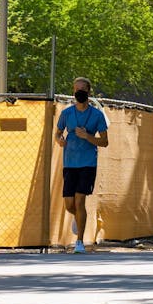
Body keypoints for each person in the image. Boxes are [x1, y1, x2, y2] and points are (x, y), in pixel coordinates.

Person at [55, 77, 109, 253]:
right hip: (69, 162)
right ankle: (79, 219)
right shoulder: (67, 113)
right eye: (76, 89)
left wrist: (88, 137)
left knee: (80, 201)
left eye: (82, 89)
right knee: (69, 204)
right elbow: (57, 134)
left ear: (88, 92)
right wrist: (60, 140)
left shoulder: (97, 115)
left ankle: (79, 243)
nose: (78, 92)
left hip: (87, 163)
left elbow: (105, 142)